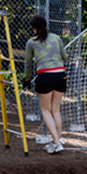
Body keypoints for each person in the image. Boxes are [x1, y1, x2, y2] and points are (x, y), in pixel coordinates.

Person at [27, 14, 69, 153]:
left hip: (44, 76)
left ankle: (57, 143)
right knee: (55, 110)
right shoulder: (56, 38)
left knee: (45, 110)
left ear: (34, 28)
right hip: (60, 75)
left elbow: (28, 64)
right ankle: (56, 140)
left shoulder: (31, 42)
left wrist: (27, 80)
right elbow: (65, 57)